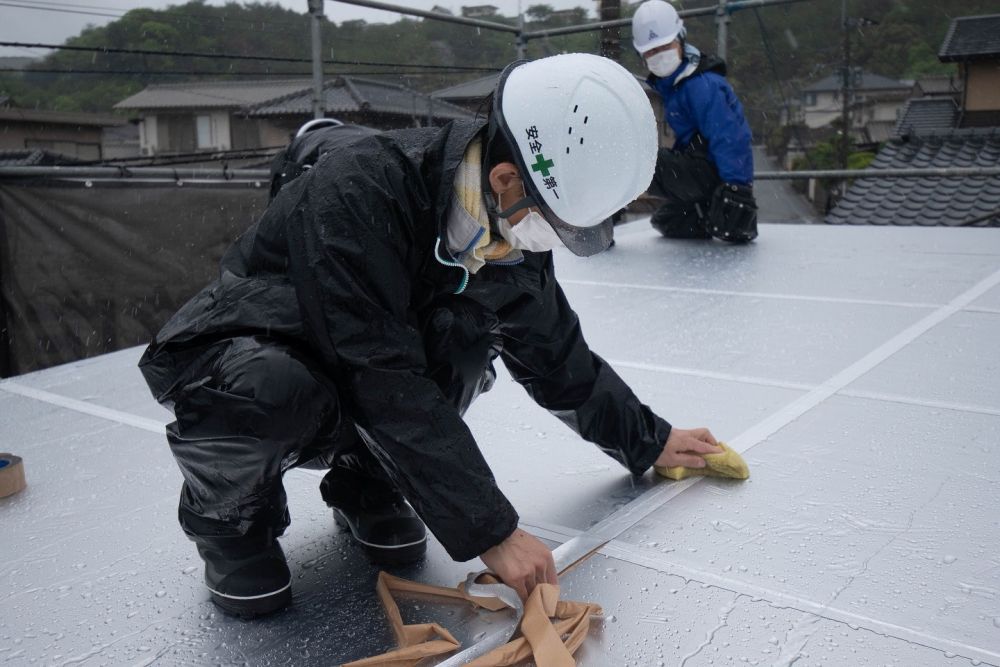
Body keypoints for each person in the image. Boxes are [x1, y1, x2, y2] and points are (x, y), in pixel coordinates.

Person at [138, 53, 722, 619]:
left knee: (464, 336)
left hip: (358, 371)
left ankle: (368, 482)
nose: (561, 238)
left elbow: (556, 356)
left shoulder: (506, 229)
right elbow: (378, 369)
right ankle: (231, 523)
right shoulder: (361, 190)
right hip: (253, 347)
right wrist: (494, 531)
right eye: (564, 223)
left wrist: (649, 439)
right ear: (505, 177)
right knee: (270, 387)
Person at [632, 0, 758, 242]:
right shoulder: (675, 85)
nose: (658, 56)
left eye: (664, 46)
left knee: (639, 160)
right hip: (702, 169)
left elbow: (730, 137)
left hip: (712, 172)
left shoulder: (702, 85)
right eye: (650, 52)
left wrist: (737, 189)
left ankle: (599, 224)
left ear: (680, 39)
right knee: (668, 221)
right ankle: (707, 210)